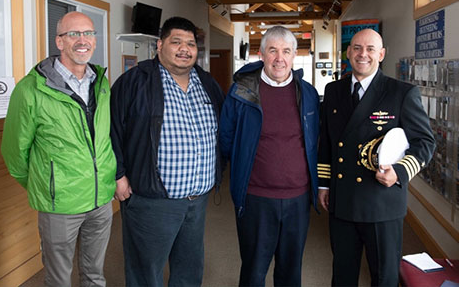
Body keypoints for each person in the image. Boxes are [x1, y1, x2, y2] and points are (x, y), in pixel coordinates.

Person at [1, 11, 116, 287]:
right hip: (59, 204)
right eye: (73, 34)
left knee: (95, 274)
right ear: (59, 42)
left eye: (88, 33)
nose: (82, 40)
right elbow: (14, 152)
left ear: (95, 41)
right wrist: (45, 184)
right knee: (58, 279)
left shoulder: (101, 83)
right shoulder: (30, 90)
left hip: (101, 199)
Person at [110, 16, 224, 287]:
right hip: (152, 199)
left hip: (197, 200)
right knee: (145, 272)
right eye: (176, 42)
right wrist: (118, 175)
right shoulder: (134, 82)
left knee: (189, 269)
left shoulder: (208, 84)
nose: (185, 49)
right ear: (160, 45)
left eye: (190, 43)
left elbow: (223, 131)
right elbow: (110, 131)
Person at [318, 28, 436, 286]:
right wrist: (324, 184)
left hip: (382, 203)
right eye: (357, 48)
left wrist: (400, 172)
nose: (363, 54)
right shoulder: (334, 90)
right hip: (343, 201)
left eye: (371, 49)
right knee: (343, 275)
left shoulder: (400, 93)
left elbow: (425, 142)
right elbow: (326, 141)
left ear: (381, 54)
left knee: (384, 277)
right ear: (348, 53)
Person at [219, 26, 320, 287]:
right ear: (261, 54)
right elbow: (227, 139)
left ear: (294, 55)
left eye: (286, 51)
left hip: (298, 199)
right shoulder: (240, 92)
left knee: (290, 271)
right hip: (256, 199)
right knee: (253, 270)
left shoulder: (307, 93)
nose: (279, 58)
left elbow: (314, 140)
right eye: (272, 50)